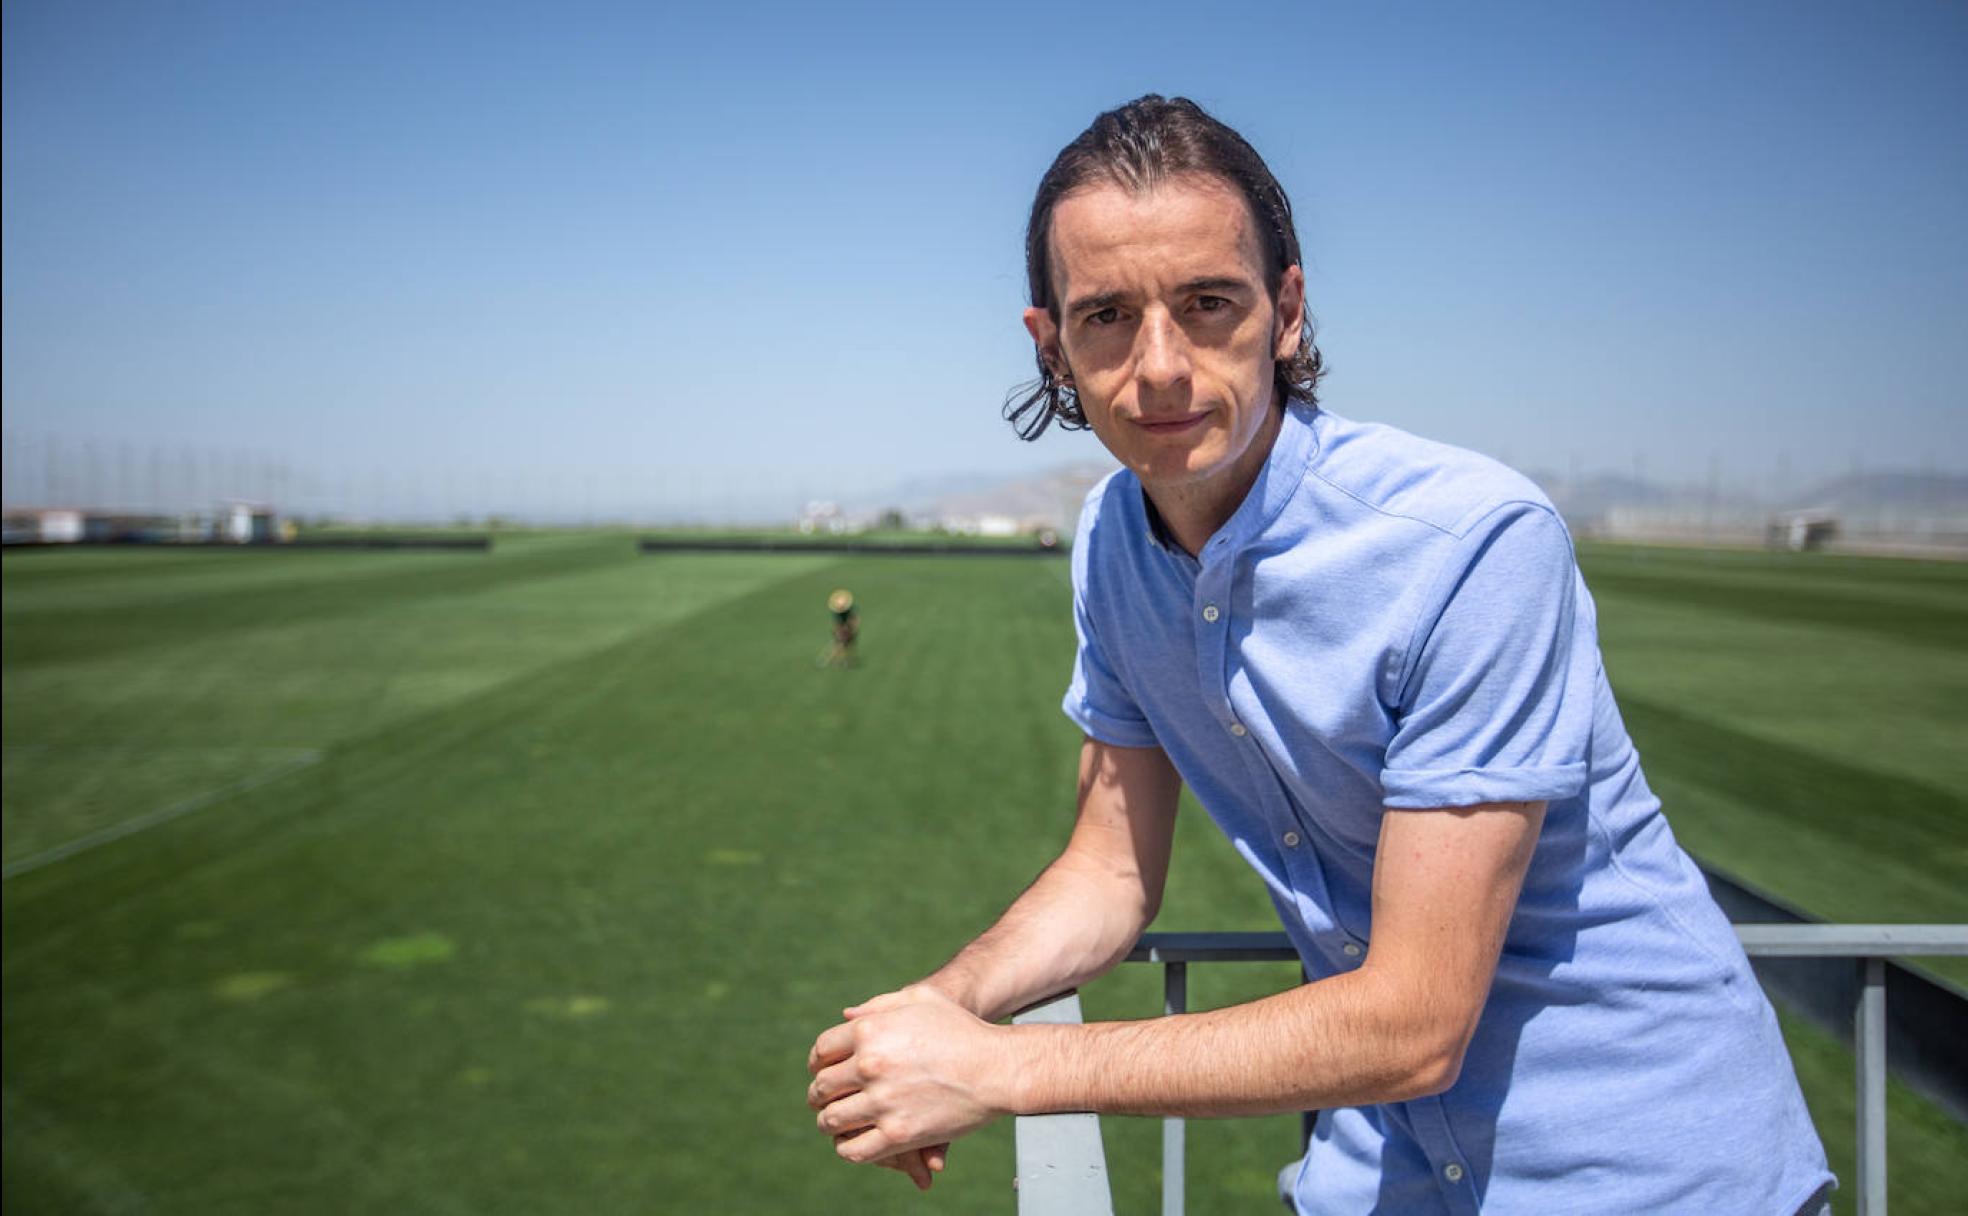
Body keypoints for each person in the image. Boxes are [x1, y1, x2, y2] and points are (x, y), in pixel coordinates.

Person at [806, 95, 1833, 1213]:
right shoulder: (1113, 542)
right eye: (1105, 314)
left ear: (1287, 310)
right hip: (1379, 1176)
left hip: (1649, 1175)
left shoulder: (1471, 543)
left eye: (1208, 303)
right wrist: (947, 1003)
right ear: (1050, 345)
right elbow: (1109, 872)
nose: (1159, 367)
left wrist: (1003, 1070)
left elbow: (1413, 1022)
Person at [821, 588, 858, 669]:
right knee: (838, 646)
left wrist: (851, 629)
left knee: (848, 646)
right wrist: (838, 632)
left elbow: (854, 620)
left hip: (849, 630)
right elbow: (837, 624)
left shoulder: (850, 611)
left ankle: (847, 660)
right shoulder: (837, 613)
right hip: (841, 630)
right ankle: (836, 661)